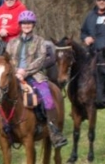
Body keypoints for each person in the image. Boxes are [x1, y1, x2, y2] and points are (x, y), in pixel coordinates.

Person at [5, 10, 67, 148]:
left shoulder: (40, 41)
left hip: (35, 76)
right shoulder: (11, 43)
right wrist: (15, 72)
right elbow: (7, 59)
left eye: (29, 23)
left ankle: (54, 131)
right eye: (24, 23)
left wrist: (25, 71)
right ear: (20, 25)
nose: (27, 25)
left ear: (33, 25)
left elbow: (40, 60)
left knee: (48, 99)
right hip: (13, 76)